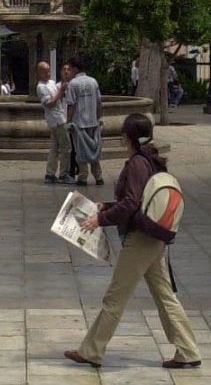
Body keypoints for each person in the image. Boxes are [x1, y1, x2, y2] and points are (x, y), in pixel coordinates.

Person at [65, 113, 202, 370]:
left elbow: (130, 204)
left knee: (115, 296)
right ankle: (188, 350)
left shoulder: (138, 162)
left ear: (126, 137)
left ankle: (92, 350)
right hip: (154, 237)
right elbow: (139, 201)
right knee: (164, 295)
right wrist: (105, 206)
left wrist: (100, 219)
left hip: (141, 240)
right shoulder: (152, 159)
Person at [64, 59, 105, 186]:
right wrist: (97, 118)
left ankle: (83, 176)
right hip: (93, 122)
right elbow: (99, 101)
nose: (68, 72)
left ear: (75, 69)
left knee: (81, 151)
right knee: (94, 149)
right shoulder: (93, 82)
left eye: (69, 69)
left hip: (79, 124)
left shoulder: (73, 84)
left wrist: (68, 121)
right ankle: (98, 176)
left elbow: (71, 105)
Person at [36, 61, 71, 184]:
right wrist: (60, 92)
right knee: (66, 147)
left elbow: (61, 95)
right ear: (40, 73)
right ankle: (63, 173)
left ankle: (50, 173)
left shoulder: (51, 83)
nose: (49, 73)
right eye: (46, 71)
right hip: (56, 120)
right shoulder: (41, 87)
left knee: (55, 147)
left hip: (61, 116)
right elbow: (50, 103)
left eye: (49, 70)